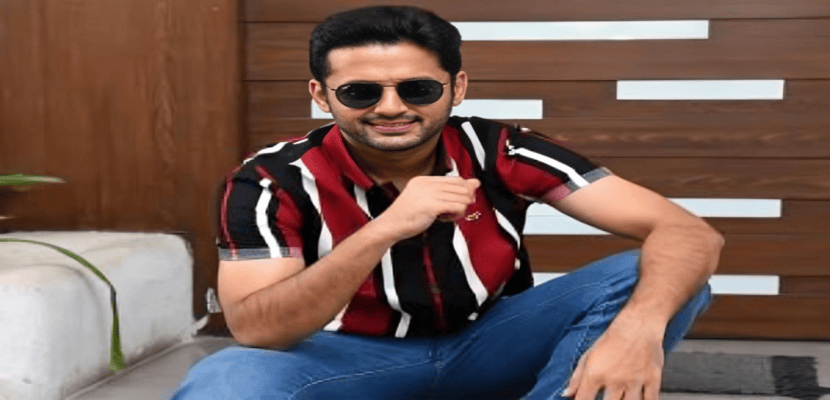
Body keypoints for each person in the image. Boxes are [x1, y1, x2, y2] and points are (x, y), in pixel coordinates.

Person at [172, 5, 722, 400]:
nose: (391, 108)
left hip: (488, 345)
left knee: (649, 273)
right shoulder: (269, 180)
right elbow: (258, 330)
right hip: (348, 360)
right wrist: (384, 229)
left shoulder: (501, 150)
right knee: (228, 379)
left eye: (418, 89)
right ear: (321, 95)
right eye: (361, 92)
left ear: (456, 88)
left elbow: (690, 233)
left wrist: (637, 332)